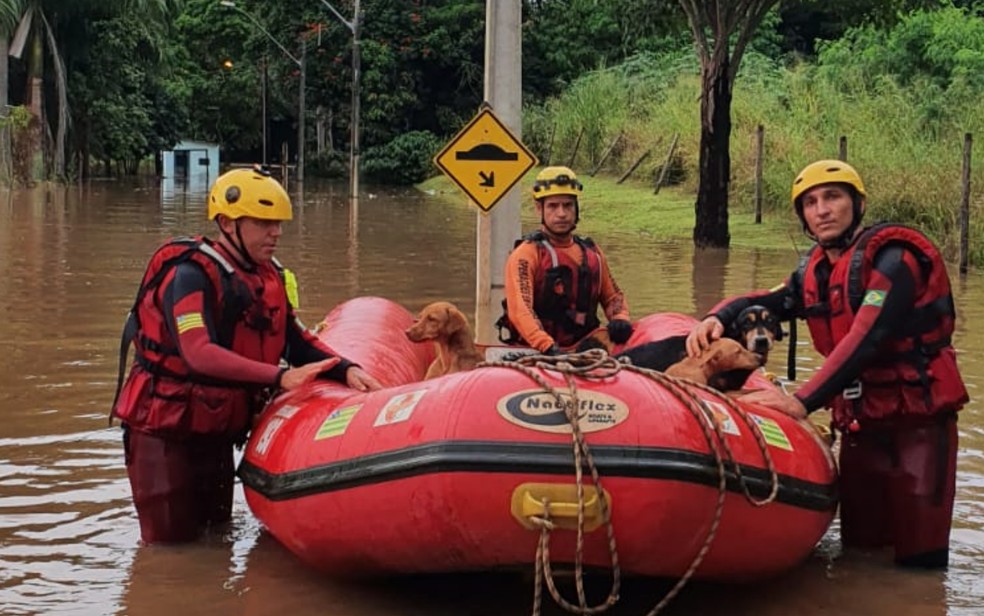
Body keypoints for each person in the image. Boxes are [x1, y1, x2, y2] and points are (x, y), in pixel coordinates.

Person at [685, 159, 968, 569]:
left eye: (833, 197)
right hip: (860, 427)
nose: (822, 210)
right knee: (857, 556)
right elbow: (766, 300)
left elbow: (866, 337)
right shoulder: (814, 271)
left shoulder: (895, 259)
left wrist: (802, 401)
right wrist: (717, 316)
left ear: (857, 204)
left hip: (918, 428)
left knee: (921, 569)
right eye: (810, 202)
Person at [111, 166, 382, 544]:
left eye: (278, 223)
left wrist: (345, 369)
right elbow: (198, 353)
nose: (277, 232)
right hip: (164, 428)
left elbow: (295, 339)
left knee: (218, 536)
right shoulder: (188, 274)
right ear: (228, 223)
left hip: (216, 427)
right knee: (169, 551)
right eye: (264, 222)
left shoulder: (267, 275)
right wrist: (278, 378)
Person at [497, 166, 632, 354]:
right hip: (536, 351)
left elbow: (612, 297)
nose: (561, 213)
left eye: (567, 205)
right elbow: (520, 310)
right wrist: (545, 345)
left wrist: (620, 318)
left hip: (586, 350)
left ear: (576, 208)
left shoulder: (592, 252)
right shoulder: (526, 255)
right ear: (539, 209)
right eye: (553, 206)